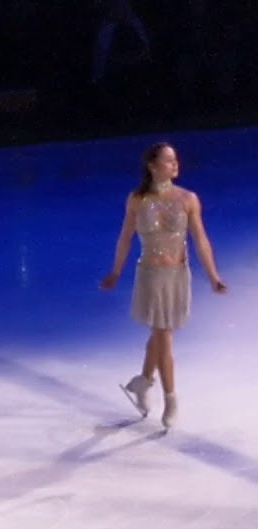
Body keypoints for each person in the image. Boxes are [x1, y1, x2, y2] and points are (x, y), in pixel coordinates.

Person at [100, 142, 226, 429]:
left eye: (175, 160)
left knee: (160, 331)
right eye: (168, 161)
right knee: (162, 332)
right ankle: (170, 397)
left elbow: (201, 240)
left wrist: (213, 276)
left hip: (176, 275)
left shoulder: (188, 198)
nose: (175, 165)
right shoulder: (137, 199)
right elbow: (125, 238)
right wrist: (116, 272)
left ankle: (144, 381)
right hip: (150, 275)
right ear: (153, 166)